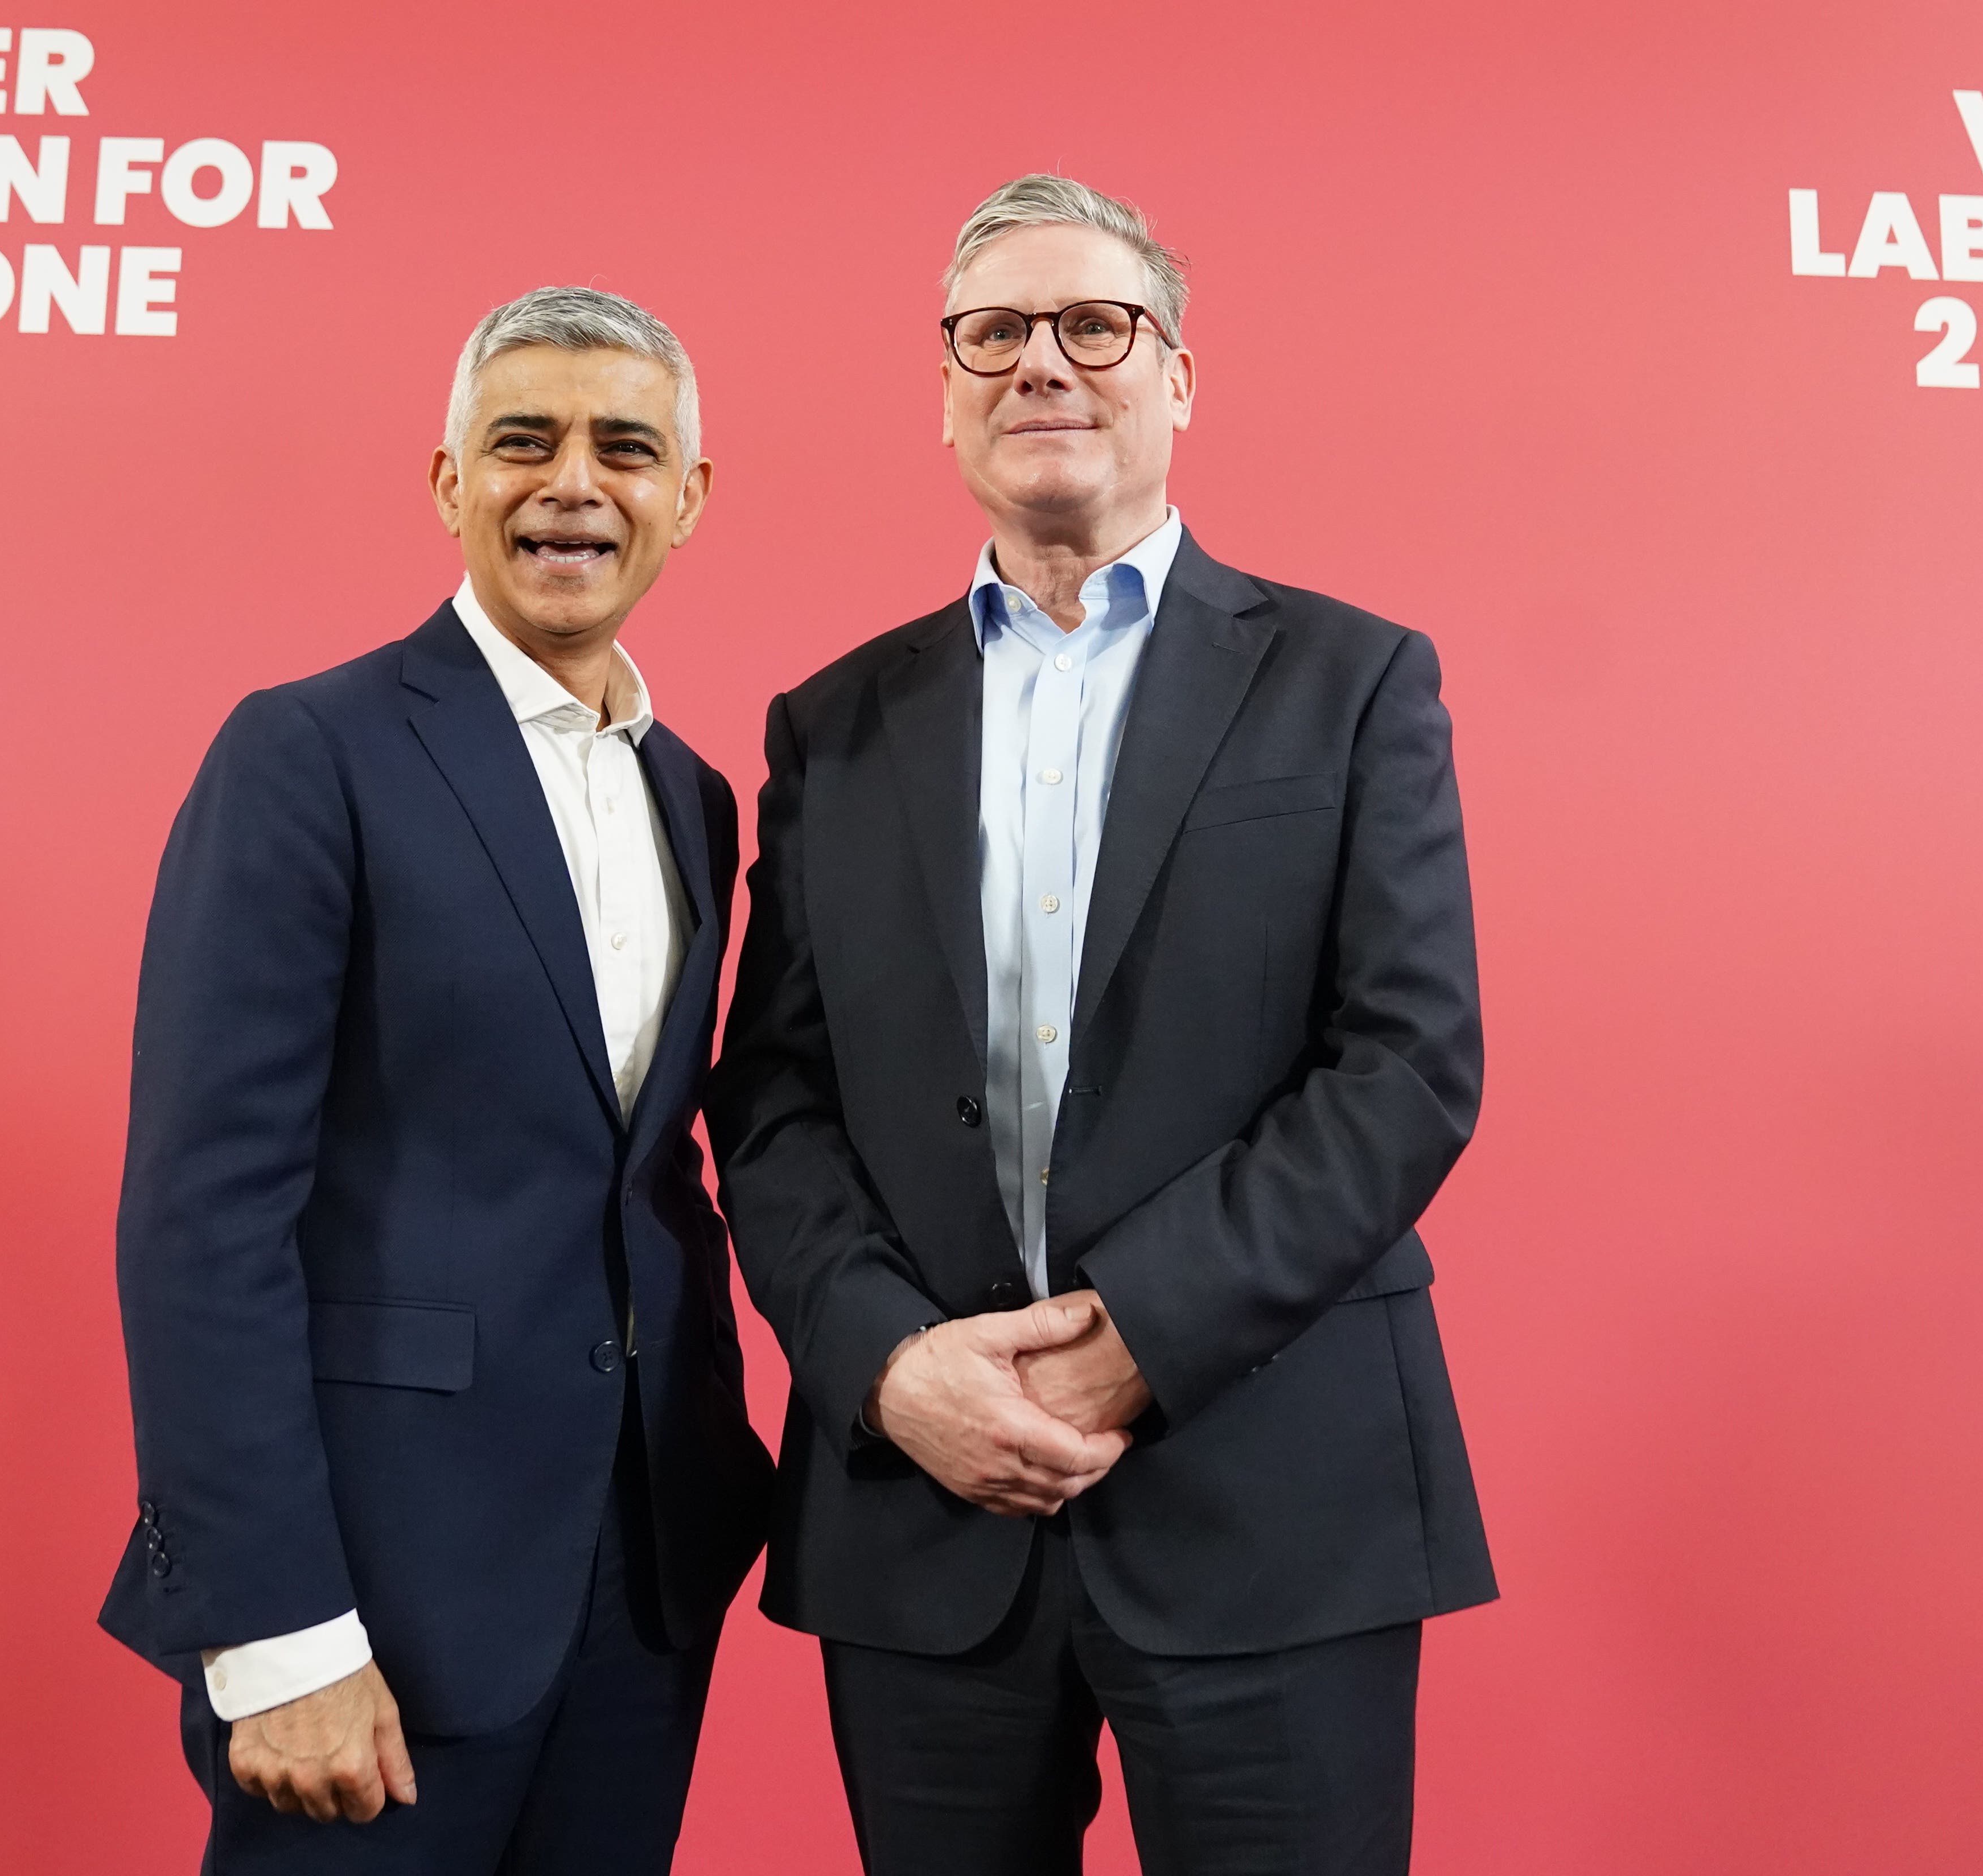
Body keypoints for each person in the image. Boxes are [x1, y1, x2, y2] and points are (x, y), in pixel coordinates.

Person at [707, 175, 1496, 1874]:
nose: (1041, 364)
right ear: (943, 390)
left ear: (1179, 379)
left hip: (1268, 1496)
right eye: (992, 332)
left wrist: (1142, 1330)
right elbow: (773, 1095)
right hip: (924, 1512)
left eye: (1094, 325)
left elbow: (1407, 1062)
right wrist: (887, 1366)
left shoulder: (1353, 682)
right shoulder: (833, 726)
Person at [99, 286, 772, 1875]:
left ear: (688, 497)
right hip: (370, 1605)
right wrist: (275, 1632)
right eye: (521, 442)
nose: (572, 486)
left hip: (641, 1589)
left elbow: (641, 1174)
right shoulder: (308, 751)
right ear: (448, 482)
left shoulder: (698, 797)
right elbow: (202, 1222)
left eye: (626, 448)